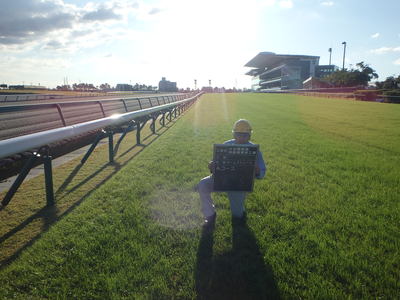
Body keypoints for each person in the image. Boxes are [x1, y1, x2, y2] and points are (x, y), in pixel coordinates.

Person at [197, 119, 267, 227]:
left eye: (245, 135)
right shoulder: (226, 145)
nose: (241, 138)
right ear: (234, 134)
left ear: (249, 136)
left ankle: (240, 210)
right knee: (203, 185)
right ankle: (210, 214)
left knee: (238, 216)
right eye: (238, 135)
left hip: (239, 184)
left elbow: (262, 172)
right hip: (222, 179)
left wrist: (257, 171)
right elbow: (217, 164)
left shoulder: (254, 150)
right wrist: (212, 166)